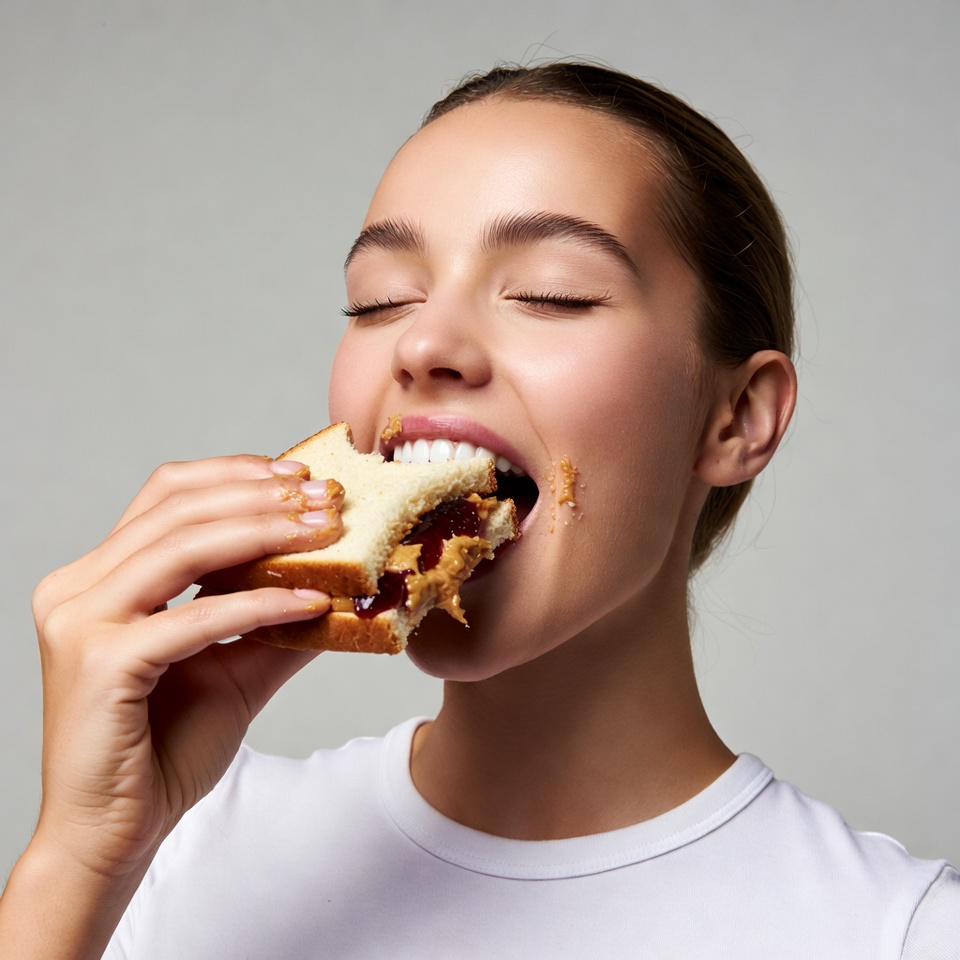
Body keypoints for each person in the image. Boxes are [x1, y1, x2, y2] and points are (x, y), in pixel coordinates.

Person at [1, 63, 957, 959]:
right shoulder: (176, 857)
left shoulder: (895, 932)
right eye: (379, 302)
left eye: (552, 293)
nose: (422, 342)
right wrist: (77, 863)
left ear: (737, 418)